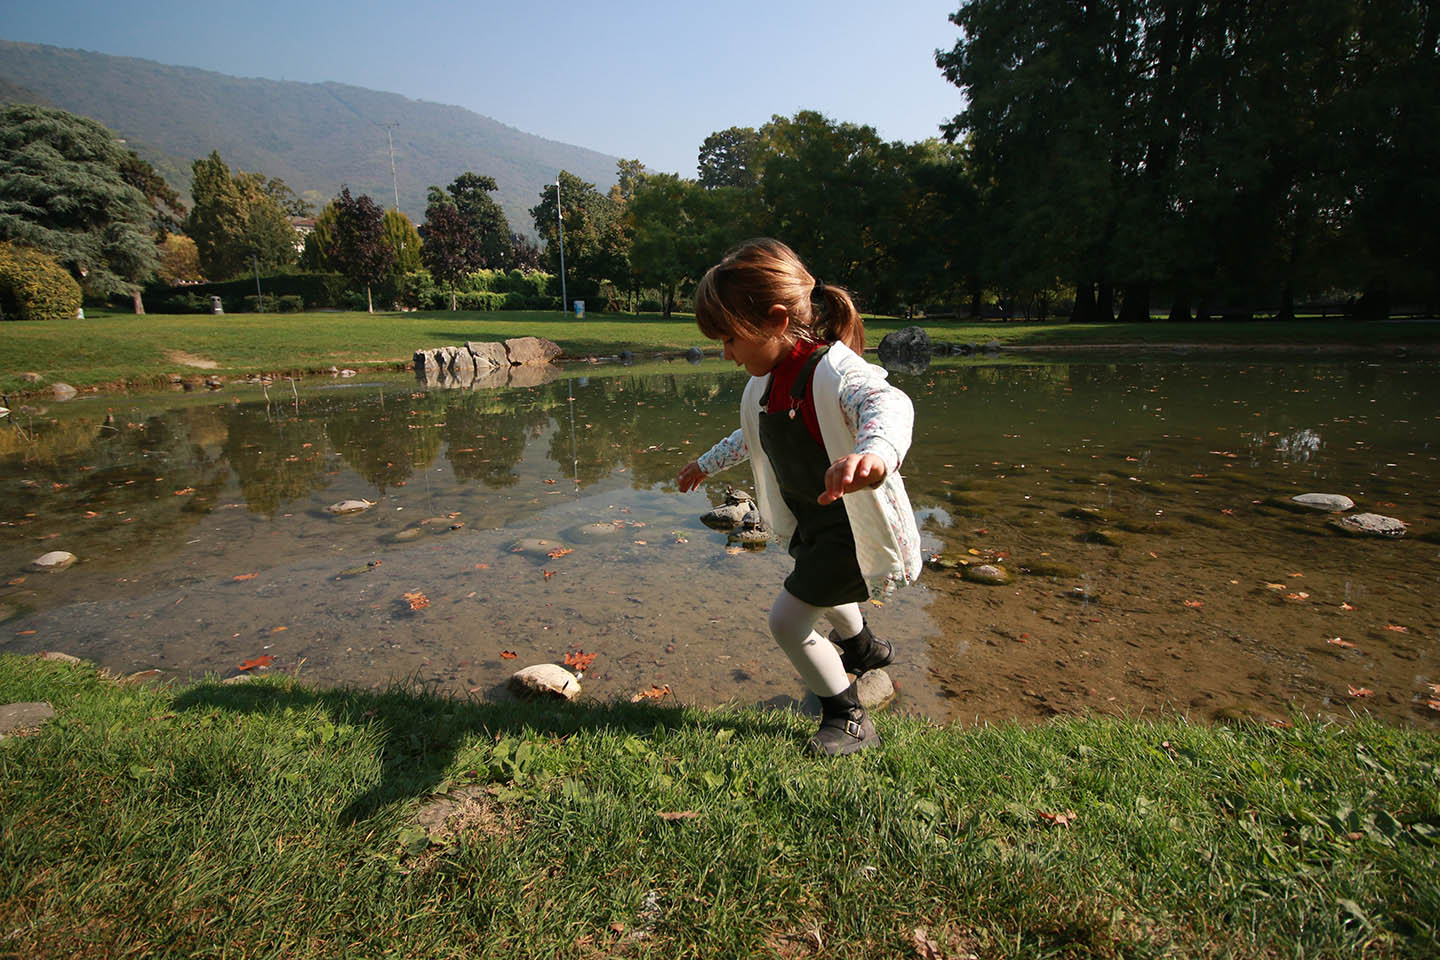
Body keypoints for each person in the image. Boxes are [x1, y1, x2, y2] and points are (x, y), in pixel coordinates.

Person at [676, 239, 922, 756]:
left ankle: (848, 716)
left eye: (728, 338)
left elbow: (888, 403)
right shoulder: (766, 385)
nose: (725, 353)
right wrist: (706, 463)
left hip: (850, 528)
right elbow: (751, 436)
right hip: (814, 523)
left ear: (775, 319)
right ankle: (863, 648)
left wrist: (875, 453)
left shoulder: (837, 373)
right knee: (825, 593)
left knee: (787, 620)